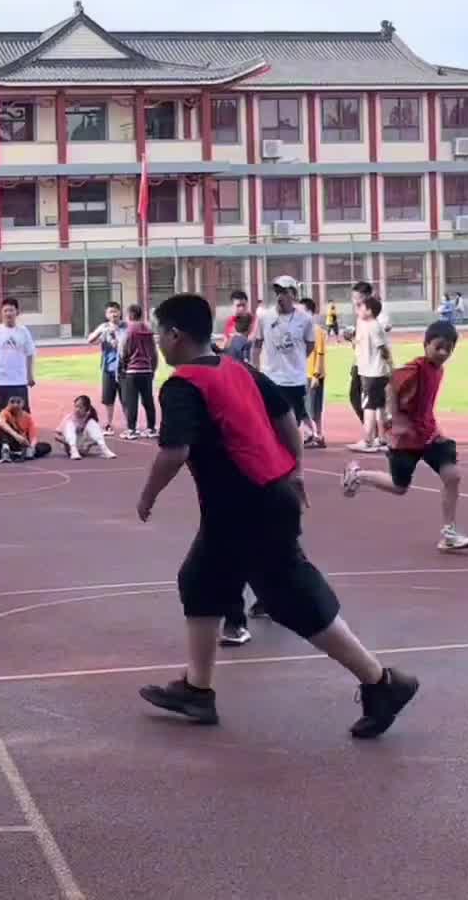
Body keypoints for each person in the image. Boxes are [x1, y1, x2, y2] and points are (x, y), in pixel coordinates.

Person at [133, 292, 420, 738]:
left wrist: (148, 495)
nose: (157, 345)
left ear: (174, 335)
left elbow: (174, 450)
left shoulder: (184, 385)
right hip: (255, 500)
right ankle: (197, 688)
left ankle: (381, 682)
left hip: (250, 507)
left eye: (158, 335)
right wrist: (295, 469)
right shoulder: (239, 368)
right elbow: (287, 416)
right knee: (200, 581)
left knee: (293, 599)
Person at [342, 321, 468, 552]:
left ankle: (449, 532)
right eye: (439, 347)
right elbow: (390, 385)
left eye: (449, 349)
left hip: (428, 435)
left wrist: (437, 430)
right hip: (404, 439)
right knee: (399, 486)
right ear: (426, 345)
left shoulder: (438, 370)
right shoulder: (415, 369)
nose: (443, 353)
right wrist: (396, 420)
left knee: (452, 475)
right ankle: (359, 475)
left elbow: (425, 404)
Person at [255, 275, 317, 448]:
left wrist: (297, 360)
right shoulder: (266, 317)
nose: (279, 296)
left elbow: (310, 344)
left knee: (292, 424)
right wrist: (256, 369)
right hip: (271, 378)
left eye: (284, 292)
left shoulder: (304, 319)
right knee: (270, 423)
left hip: (295, 379)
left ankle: (292, 459)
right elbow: (257, 343)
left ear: (293, 294)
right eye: (277, 292)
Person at [348, 296, 392, 453]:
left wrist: (390, 365)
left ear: (370, 311)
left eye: (362, 307)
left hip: (372, 372)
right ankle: (382, 438)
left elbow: (383, 348)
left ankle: (368, 440)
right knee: (379, 406)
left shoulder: (373, 326)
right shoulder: (366, 326)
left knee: (369, 406)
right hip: (373, 370)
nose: (358, 310)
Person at [0, 299, 36, 414]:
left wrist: (29, 375)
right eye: (5, 310)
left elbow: (29, 353)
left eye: (11, 310)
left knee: (22, 412)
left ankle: (21, 431)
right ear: (2, 312)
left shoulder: (23, 331)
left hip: (19, 380)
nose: (8, 313)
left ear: (17, 312)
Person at [119, 304, 159, 439]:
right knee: (148, 399)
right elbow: (154, 352)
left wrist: (124, 366)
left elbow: (124, 350)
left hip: (132, 370)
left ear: (130, 315)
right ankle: (151, 428)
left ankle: (131, 429)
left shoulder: (129, 330)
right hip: (147, 369)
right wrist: (153, 368)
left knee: (132, 401)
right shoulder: (147, 329)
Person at [88, 301, 126, 432]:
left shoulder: (126, 327)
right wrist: (102, 332)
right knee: (108, 398)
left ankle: (130, 425)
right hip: (108, 368)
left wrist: (118, 338)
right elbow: (91, 340)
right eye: (111, 312)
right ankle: (109, 423)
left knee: (126, 398)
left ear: (120, 312)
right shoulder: (104, 327)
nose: (114, 314)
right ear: (106, 314)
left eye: (116, 311)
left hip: (124, 368)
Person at [299, 297, 328, 449]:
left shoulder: (318, 331)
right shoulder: (304, 330)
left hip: (313, 375)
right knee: (310, 407)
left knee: (313, 407)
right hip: (305, 374)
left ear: (310, 312)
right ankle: (315, 434)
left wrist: (316, 374)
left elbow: (320, 353)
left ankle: (315, 435)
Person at [0, 393, 51, 461]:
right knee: (1, 434)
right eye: (12, 402)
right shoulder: (5, 413)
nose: (15, 405)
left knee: (46, 447)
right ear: (8, 404)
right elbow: (1, 423)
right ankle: (9, 451)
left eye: (18, 402)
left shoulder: (27, 417)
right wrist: (17, 436)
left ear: (23, 403)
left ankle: (17, 453)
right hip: (7, 441)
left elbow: (33, 437)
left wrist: (32, 447)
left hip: (21, 444)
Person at [59, 394, 117, 460]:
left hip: (83, 448)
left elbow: (97, 436)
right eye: (76, 406)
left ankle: (105, 449)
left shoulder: (89, 417)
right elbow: (56, 436)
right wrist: (66, 442)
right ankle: (74, 450)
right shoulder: (69, 417)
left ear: (86, 409)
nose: (77, 409)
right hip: (70, 447)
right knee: (70, 424)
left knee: (92, 423)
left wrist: (89, 444)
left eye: (80, 407)